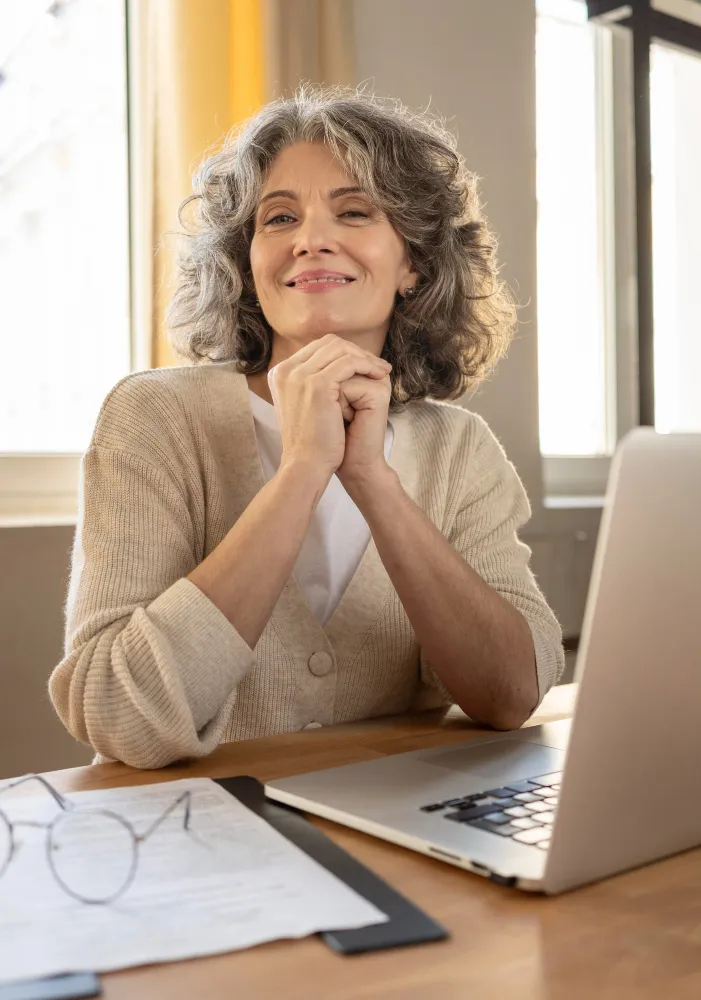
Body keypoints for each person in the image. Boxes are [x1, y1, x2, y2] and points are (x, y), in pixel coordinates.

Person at [49, 86, 564, 770]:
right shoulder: (154, 418)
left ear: (412, 263)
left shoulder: (458, 447)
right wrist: (299, 474)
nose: (310, 240)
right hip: (199, 844)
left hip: (401, 835)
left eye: (353, 212)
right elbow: (117, 716)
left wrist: (370, 478)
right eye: (278, 218)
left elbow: (511, 694)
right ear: (248, 263)